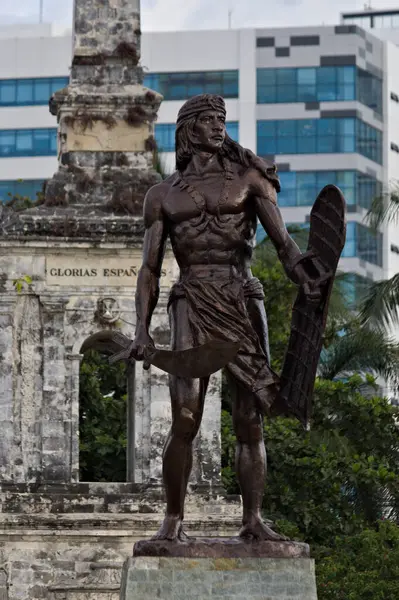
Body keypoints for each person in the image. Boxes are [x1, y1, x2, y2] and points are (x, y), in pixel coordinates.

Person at [130, 94, 318, 541]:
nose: (219, 127)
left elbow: (285, 246)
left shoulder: (250, 180)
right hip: (191, 298)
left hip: (241, 293)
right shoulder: (161, 195)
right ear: (188, 129)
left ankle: (252, 519)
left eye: (222, 120)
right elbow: (149, 269)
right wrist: (140, 327)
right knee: (185, 416)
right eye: (209, 120)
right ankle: (173, 520)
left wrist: (307, 273)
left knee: (249, 418)